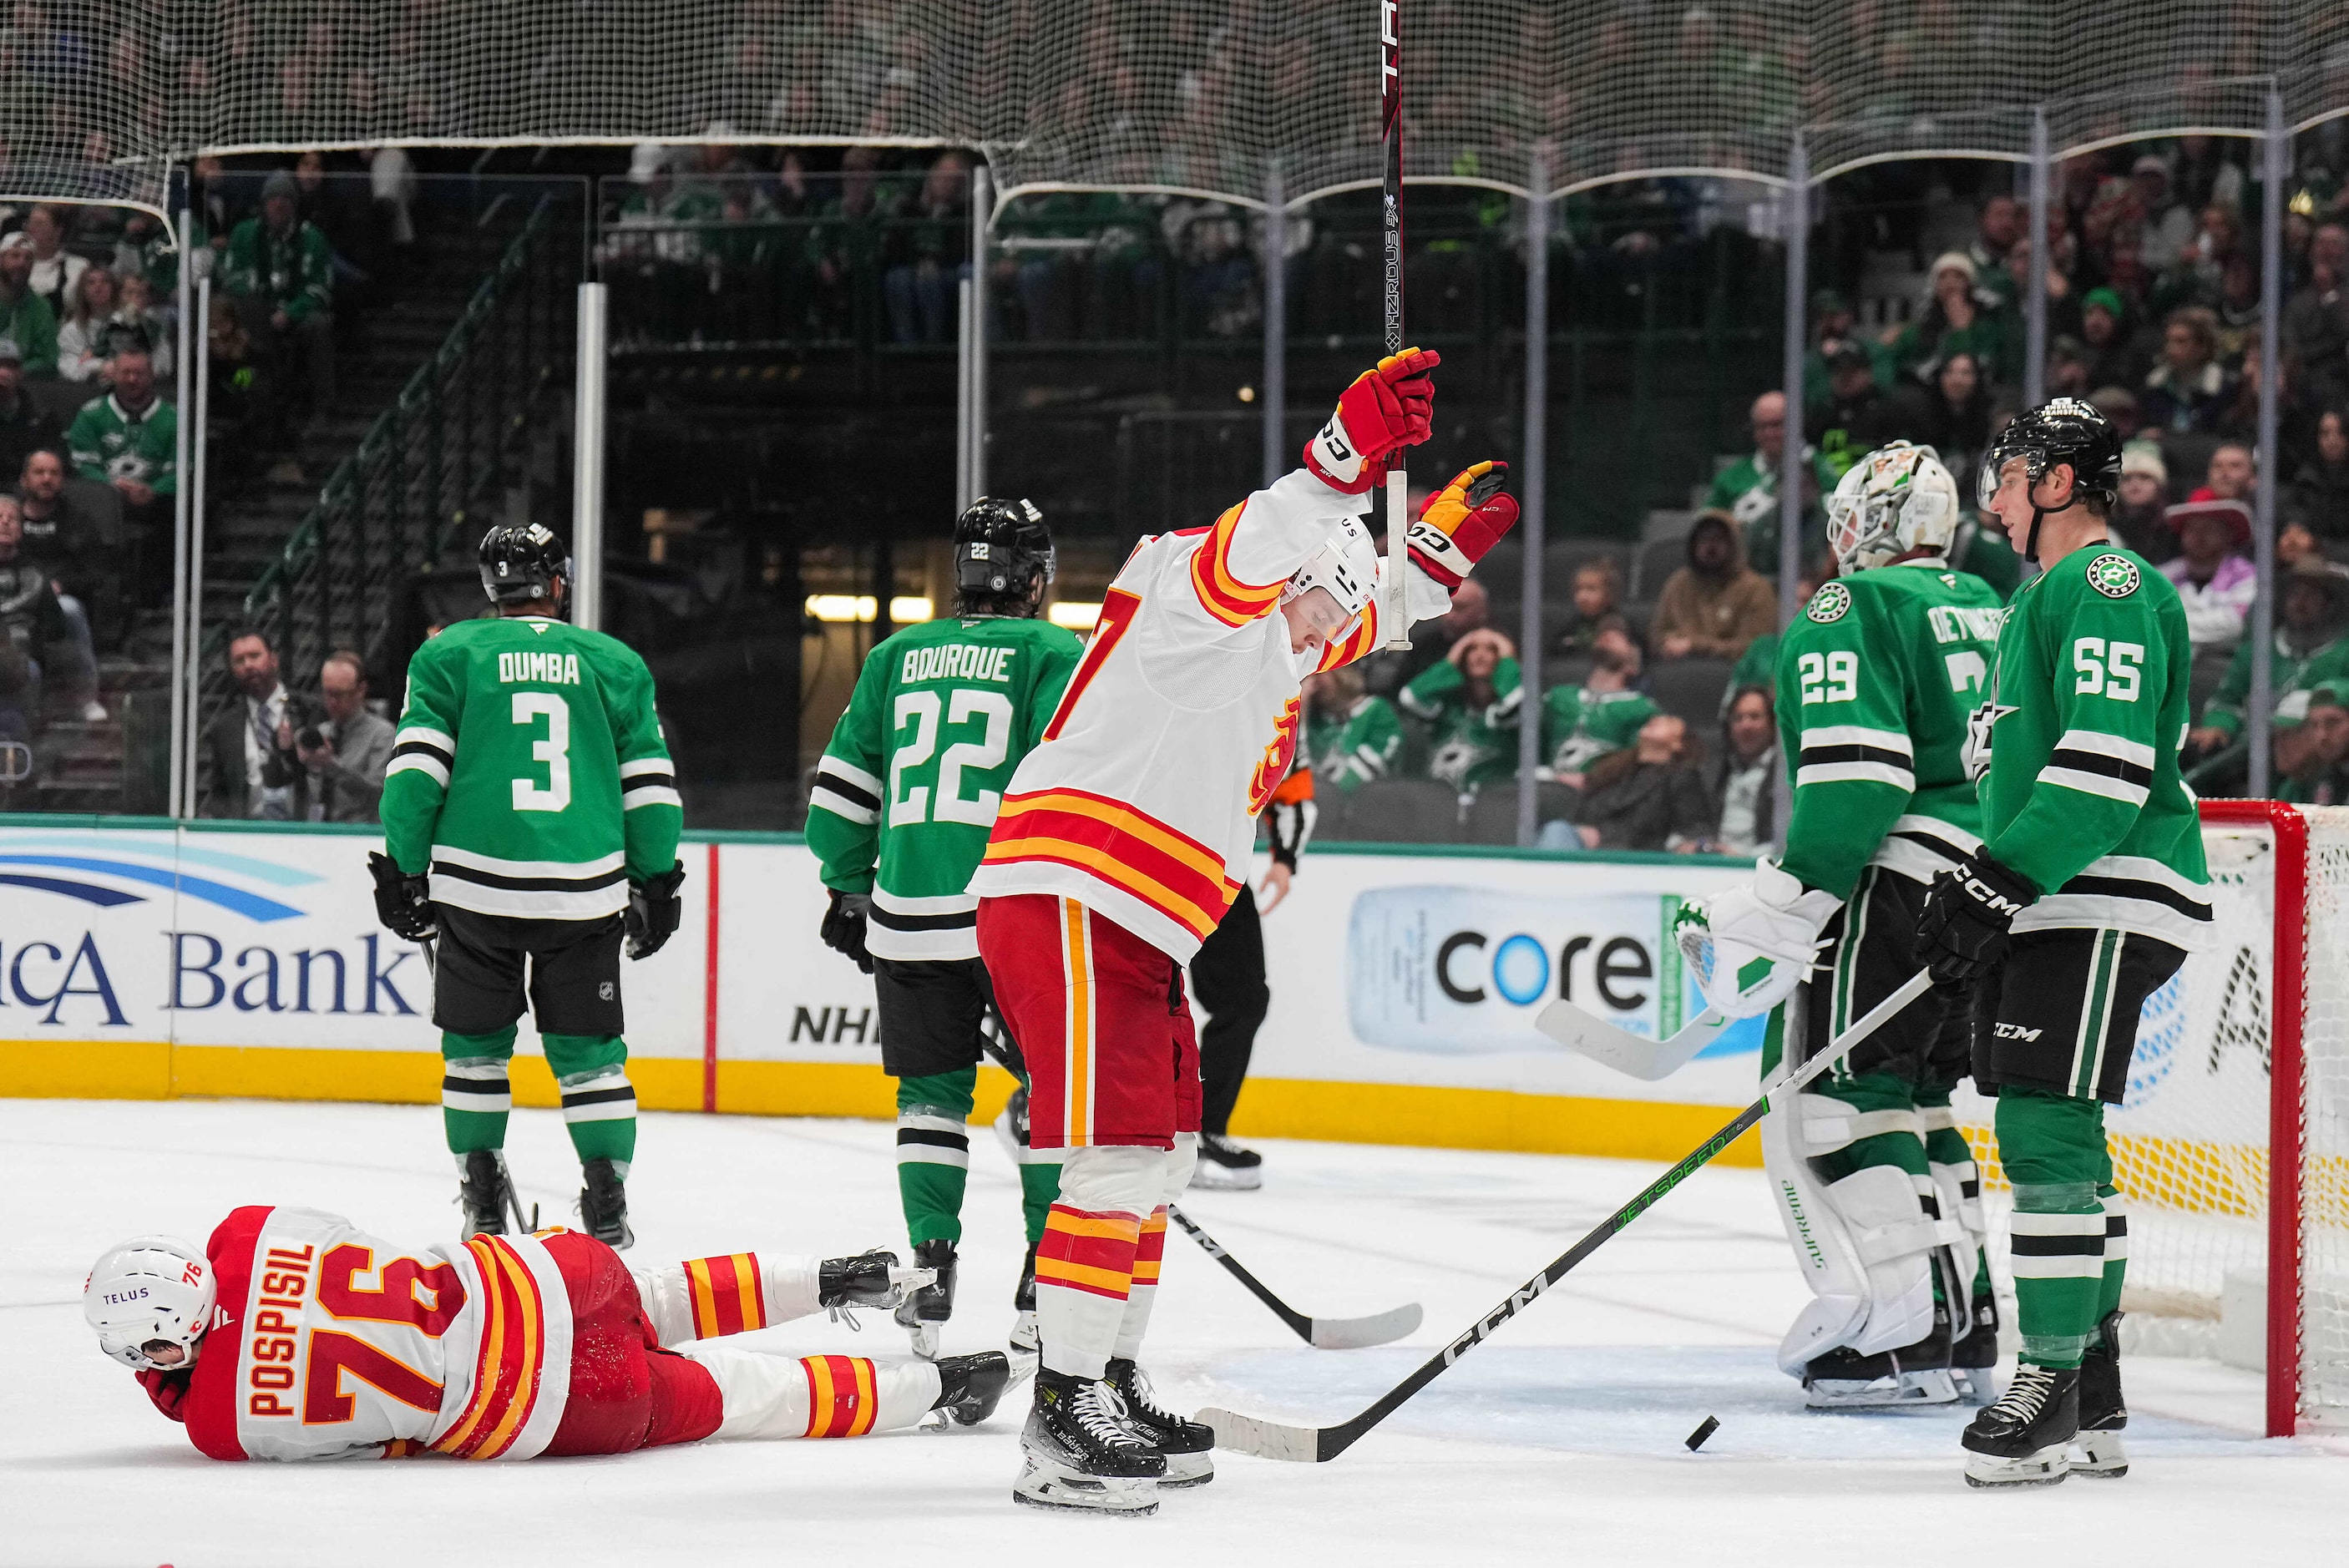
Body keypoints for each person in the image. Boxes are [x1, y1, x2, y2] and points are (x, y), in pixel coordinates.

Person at [969, 350, 1516, 1512]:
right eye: (1327, 595)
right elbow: (1254, 543)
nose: (1332, 628)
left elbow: (1347, 619)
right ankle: (1063, 1410)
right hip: (1072, 889)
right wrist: (1337, 459)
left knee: (1160, 1157)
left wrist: (1427, 568)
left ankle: (1107, 1372)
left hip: (1141, 920)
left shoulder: (1279, 643)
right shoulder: (1188, 586)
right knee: (1113, 1155)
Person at [1916, 397, 2208, 1487]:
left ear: (2052, 480)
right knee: (2066, 1136)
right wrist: (1987, 881)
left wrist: (1996, 880)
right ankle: (2094, 1392)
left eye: (2002, 478)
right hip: (2057, 892)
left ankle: (2040, 1391)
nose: (1989, 501)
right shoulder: (2043, 597)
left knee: (2037, 1132)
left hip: (2097, 888)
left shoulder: (2104, 583)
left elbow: (2106, 766)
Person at [1681, 443, 2006, 1411]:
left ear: (1866, 523)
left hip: (1901, 879)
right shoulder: (1998, 606)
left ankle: (1892, 1335)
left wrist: (1792, 895)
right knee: (1916, 1100)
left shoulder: (1851, 606)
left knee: (1837, 1098)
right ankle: (1961, 1321)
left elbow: (1857, 777)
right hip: (1993, 886)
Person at [804, 496, 1081, 1363]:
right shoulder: (1054, 650)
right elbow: (1066, 781)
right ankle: (1042, 1281)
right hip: (1014, 911)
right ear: (1033, 579)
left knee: (930, 1102)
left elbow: (840, 795)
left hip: (909, 913)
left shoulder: (896, 654)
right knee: (1053, 1100)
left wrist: (850, 886)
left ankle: (929, 1271)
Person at [82, 1212, 1009, 1464]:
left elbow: (380, 1440)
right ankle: (841, 1276)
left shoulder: (216, 1427)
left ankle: (943, 1387)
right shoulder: (248, 1231)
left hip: (551, 1410)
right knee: (656, 1293)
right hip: (536, 1281)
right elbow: (351, 1242)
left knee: (736, 1397)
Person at [372, 523, 686, 1251]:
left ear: (491, 587)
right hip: (582, 890)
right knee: (591, 1055)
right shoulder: (612, 660)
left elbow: (415, 776)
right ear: (558, 580)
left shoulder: (449, 652)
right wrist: (655, 879)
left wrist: (404, 867)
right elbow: (649, 788)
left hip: (475, 890)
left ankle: (482, 1195)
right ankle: (606, 1198)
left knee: (474, 1051)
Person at [2186, 554, 2349, 761]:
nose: (2301, 602)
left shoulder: (2344, 651)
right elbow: (2226, 700)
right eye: (2294, 594)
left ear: (2329, 602)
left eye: (2311, 595)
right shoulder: (2257, 651)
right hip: (2251, 759)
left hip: (2322, 759)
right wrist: (2219, 726)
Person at [222, 169, 337, 420]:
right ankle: (239, 393)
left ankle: (324, 406)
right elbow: (232, 278)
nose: (279, 204)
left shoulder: (312, 237)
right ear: (263, 204)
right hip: (256, 318)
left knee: (318, 325)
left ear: (294, 204)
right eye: (273, 199)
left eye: (285, 199)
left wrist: (291, 312)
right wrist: (261, 307)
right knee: (234, 322)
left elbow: (320, 288)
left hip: (295, 317)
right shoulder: (245, 233)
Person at [65, 345, 175, 598]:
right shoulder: (91, 414)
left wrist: (154, 490)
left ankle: (162, 593)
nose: (132, 379)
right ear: (113, 374)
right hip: (102, 501)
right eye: (125, 372)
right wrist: (111, 487)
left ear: (152, 375)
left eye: (139, 373)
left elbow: (182, 469)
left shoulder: (173, 418)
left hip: (155, 505)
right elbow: (82, 465)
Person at [0, 491, 97, 724]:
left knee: (30, 671)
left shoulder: (35, 575)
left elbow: (53, 631)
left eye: (11, 518)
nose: (4, 522)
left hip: (20, 661)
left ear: (20, 530)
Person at [1563, 711, 1712, 851]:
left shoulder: (1682, 777)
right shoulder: (1611, 771)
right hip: (1588, 854)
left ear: (1679, 744)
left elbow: (1694, 828)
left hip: (1639, 860)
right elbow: (1582, 814)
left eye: (1669, 721)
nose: (1657, 719)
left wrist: (1603, 838)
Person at [1400, 625, 1521, 792]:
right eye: (1472, 649)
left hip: (1493, 801)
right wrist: (1451, 661)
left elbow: (1516, 704)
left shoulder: (1513, 707)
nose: (1480, 655)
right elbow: (1410, 697)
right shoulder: (1449, 707)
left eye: (1491, 649)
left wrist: (1508, 659)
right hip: (1439, 800)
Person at [1649, 508, 1775, 661]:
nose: (1710, 547)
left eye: (1718, 539)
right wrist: (1669, 643)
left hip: (1733, 674)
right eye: (1704, 539)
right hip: (1679, 670)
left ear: (1733, 544)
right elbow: (1657, 636)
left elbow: (1755, 647)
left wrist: (1695, 645)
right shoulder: (1678, 584)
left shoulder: (1755, 589)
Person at [285, 647, 394, 822]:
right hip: (319, 832)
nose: (332, 702)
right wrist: (290, 756)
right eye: (327, 693)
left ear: (361, 690)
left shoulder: (382, 734)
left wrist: (332, 766)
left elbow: (378, 794)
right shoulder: (322, 733)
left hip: (360, 834)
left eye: (340, 694)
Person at [1541, 624, 1658, 782]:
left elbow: (1640, 766)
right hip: (1546, 788)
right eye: (1604, 636)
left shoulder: (1641, 708)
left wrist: (1593, 781)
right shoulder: (1558, 696)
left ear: (1633, 665)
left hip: (1604, 794)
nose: (1609, 636)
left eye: (1620, 639)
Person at [203, 627, 296, 818]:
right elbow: (220, 793)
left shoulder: (308, 712)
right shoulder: (225, 727)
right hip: (249, 834)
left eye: (255, 656)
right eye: (239, 660)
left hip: (306, 832)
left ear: (274, 660)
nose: (248, 665)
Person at [1707, 389, 1829, 531]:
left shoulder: (1820, 469)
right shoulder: (1730, 479)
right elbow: (1707, 525)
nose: (1769, 433)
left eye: (1776, 425)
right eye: (1762, 426)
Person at [2157, 498, 2255, 652]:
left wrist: (2173, 625)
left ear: (2228, 535)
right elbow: (2150, 621)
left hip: (2227, 663)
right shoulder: (2162, 576)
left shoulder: (2247, 575)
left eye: (2208, 529)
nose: (2199, 536)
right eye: (2191, 529)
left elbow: (2236, 624)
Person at [1304, 665, 1404, 790]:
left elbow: (1356, 780)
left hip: (1367, 803)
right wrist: (1303, 708)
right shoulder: (1317, 721)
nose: (1313, 683)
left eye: (1318, 674)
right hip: (1317, 800)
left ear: (1341, 672)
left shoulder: (1377, 712)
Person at [1705, 683, 1777, 857]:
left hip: (1760, 864)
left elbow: (1786, 839)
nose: (1746, 726)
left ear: (1772, 723)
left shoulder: (1786, 774)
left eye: (1754, 717)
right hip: (1712, 863)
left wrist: (1742, 855)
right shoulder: (1712, 770)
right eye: (1738, 718)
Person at [2139, 306, 2231, 432]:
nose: (2170, 349)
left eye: (2181, 342)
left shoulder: (2223, 388)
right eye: (2169, 341)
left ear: (2203, 347)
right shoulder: (2156, 385)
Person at [0, 234, 60, 377]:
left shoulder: (42, 308)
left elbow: (48, 359)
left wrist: (16, 373)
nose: (21, 263)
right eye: (15, 256)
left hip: (25, 384)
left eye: (28, 258)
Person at [1552, 555, 1633, 660]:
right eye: (1578, 589)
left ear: (1609, 594)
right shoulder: (1573, 625)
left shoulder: (1623, 624)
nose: (1582, 596)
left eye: (1591, 589)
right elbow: (1555, 651)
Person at [2287, 406, 2349, 540]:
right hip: (2310, 555)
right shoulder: (2305, 481)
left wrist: (2319, 547)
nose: (2332, 441)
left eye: (2341, 433)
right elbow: (2296, 520)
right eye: (2325, 433)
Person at [0, 338, 57, 483]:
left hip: (30, 492)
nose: (3, 373)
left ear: (20, 373)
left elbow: (57, 462)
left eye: (10, 366)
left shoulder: (42, 415)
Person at [2110, 440, 2173, 559]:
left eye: (2145, 477)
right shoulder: (2105, 530)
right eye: (2126, 479)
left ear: (2160, 486)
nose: (2135, 484)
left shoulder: (2173, 530)